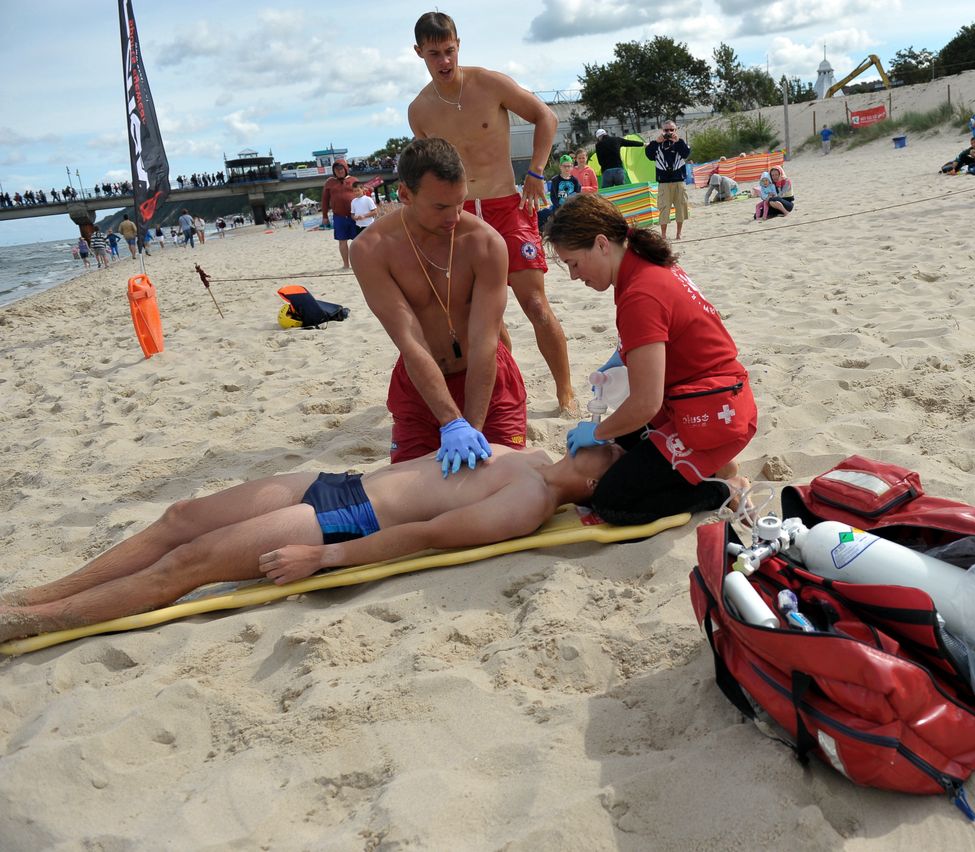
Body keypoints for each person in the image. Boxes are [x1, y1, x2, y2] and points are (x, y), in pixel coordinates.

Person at [0, 443, 623, 644]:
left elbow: (427, 535)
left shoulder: (530, 504)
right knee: (181, 517)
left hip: (351, 518)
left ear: (595, 478)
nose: (604, 432)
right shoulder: (538, 456)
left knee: (186, 566)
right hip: (340, 482)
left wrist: (325, 557)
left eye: (612, 446)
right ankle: (38, 595)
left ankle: (34, 623)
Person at [546, 193, 757, 526]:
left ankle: (725, 488)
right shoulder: (646, 264)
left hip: (713, 412)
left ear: (602, 244)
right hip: (702, 396)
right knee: (621, 448)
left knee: (613, 502)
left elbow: (645, 403)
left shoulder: (640, 293)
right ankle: (716, 466)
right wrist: (622, 356)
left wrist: (599, 432)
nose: (574, 276)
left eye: (574, 263)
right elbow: (668, 336)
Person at [408, 11, 575, 413]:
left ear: (458, 45)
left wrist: (536, 171)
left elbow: (545, 117)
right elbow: (429, 170)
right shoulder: (420, 110)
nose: (444, 61)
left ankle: (565, 392)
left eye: (449, 51)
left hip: (507, 206)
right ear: (419, 54)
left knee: (535, 305)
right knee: (485, 317)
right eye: (434, 54)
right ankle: (509, 391)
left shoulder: (488, 82)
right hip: (461, 216)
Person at [351, 136, 527, 475]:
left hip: (486, 377)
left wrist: (471, 426)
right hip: (420, 383)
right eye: (440, 207)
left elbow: (485, 344)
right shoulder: (371, 249)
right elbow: (410, 341)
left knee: (500, 479)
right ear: (405, 195)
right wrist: (450, 422)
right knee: (411, 494)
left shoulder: (485, 243)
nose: (454, 217)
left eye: (460, 203)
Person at [645, 120, 691, 241]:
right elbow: (649, 155)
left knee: (681, 207)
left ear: (676, 130)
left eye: (672, 130)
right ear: (662, 131)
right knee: (663, 208)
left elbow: (686, 154)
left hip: (679, 180)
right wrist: (656, 142)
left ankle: (679, 233)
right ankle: (664, 235)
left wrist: (678, 141)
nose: (669, 133)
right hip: (663, 182)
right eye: (666, 130)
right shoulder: (656, 144)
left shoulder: (680, 143)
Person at [320, 159, 361, 268]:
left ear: (345, 169)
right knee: (342, 241)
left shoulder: (353, 180)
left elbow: (362, 195)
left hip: (355, 216)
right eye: (336, 170)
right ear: (334, 171)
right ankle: (346, 264)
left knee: (358, 241)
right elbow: (324, 200)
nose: (339, 171)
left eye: (341, 169)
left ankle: (359, 263)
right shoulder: (329, 182)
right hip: (339, 217)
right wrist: (324, 216)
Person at [539, 154, 580, 231]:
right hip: (558, 207)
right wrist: (558, 207)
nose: (567, 168)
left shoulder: (575, 181)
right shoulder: (555, 180)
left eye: (569, 166)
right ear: (560, 166)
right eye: (564, 166)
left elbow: (578, 195)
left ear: (572, 167)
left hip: (571, 207)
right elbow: (553, 196)